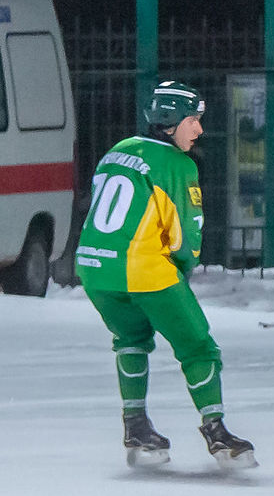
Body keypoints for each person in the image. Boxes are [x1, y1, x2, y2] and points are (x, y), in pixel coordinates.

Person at [75, 81, 257, 470]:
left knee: (130, 339)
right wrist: (183, 268)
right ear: (172, 122)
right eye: (194, 120)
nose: (199, 130)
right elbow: (185, 235)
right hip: (144, 270)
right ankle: (217, 432)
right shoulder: (177, 164)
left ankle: (136, 426)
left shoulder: (119, 150)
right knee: (198, 347)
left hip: (93, 266)